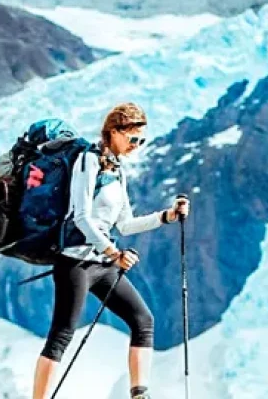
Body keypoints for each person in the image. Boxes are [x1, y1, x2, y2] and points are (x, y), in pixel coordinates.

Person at [32, 102, 191, 399]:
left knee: (142, 320)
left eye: (141, 140)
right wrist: (114, 254)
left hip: (103, 264)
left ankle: (139, 395)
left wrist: (167, 216)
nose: (136, 145)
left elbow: (126, 224)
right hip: (75, 264)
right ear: (114, 132)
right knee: (61, 335)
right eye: (133, 139)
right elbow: (81, 216)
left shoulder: (118, 170)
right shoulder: (87, 160)